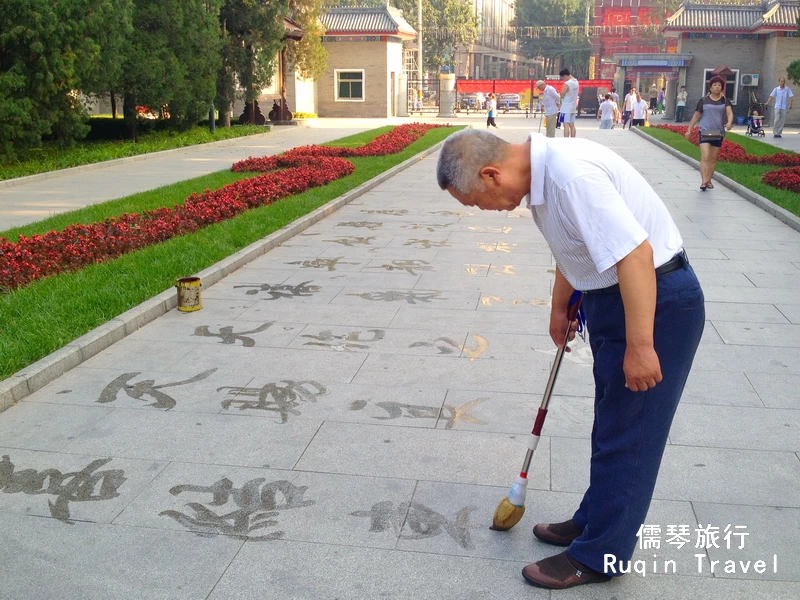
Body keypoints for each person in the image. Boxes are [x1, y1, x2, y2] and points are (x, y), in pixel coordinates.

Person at [436, 128, 704, 591]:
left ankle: (601, 554)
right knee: (612, 424)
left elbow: (636, 254)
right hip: (613, 297)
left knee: (631, 435)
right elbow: (574, 248)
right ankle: (594, 520)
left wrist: (642, 346)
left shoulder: (569, 177)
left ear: (491, 174)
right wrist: (561, 305)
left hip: (652, 303)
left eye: (477, 202)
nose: (484, 211)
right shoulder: (541, 178)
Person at [684, 75, 734, 191]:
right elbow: (696, 115)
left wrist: (730, 123)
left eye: (719, 85)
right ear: (710, 87)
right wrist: (689, 129)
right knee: (705, 156)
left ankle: (709, 180)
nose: (717, 87)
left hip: (718, 132)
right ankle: (703, 181)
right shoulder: (703, 100)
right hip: (705, 131)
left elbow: (729, 113)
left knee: (713, 158)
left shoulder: (725, 101)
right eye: (715, 85)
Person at [559, 68, 579, 138]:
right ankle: (573, 140)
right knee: (572, 125)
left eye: (562, 78)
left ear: (565, 75)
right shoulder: (576, 82)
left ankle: (566, 141)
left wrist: (560, 94)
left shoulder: (567, 83)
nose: (563, 79)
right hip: (573, 107)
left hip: (566, 107)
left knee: (566, 125)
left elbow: (562, 95)